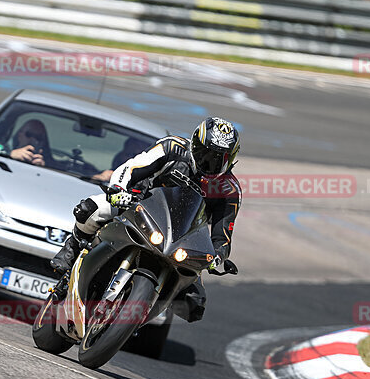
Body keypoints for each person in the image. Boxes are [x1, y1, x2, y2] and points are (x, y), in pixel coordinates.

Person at [49, 117, 241, 322]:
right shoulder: (172, 147)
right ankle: (72, 247)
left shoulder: (229, 190)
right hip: (139, 206)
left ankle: (140, 315)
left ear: (230, 160)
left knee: (194, 303)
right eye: (204, 153)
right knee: (90, 209)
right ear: (194, 142)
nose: (208, 162)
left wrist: (217, 257)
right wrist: (119, 190)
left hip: (182, 237)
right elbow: (132, 167)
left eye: (218, 158)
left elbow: (223, 235)